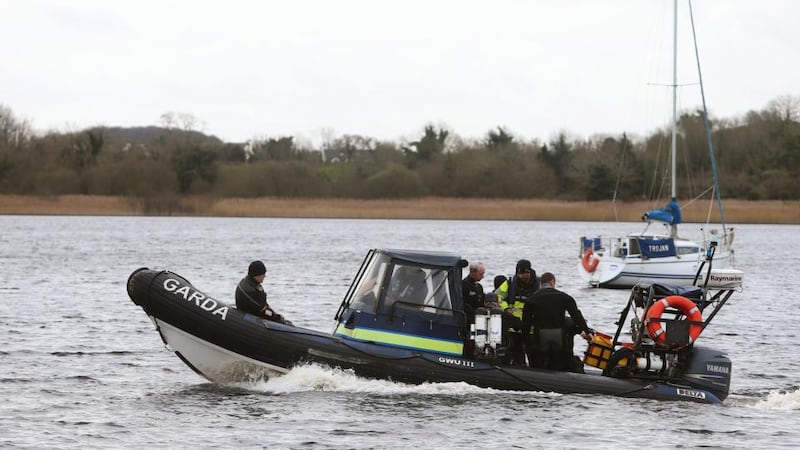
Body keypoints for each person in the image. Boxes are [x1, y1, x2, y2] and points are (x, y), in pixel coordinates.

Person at [521, 272, 592, 371]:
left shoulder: (531, 299)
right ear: (553, 282)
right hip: (559, 335)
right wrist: (586, 332)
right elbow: (576, 316)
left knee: (541, 361)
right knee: (559, 362)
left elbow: (526, 323)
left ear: (540, 284)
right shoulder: (565, 297)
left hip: (541, 336)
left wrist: (524, 341)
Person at [495, 259, 540, 365]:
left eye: (524, 273)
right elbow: (498, 297)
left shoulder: (539, 284)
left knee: (533, 354)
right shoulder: (509, 283)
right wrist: (505, 308)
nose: (522, 276)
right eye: (520, 273)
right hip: (513, 327)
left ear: (529, 272)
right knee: (515, 353)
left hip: (531, 328)